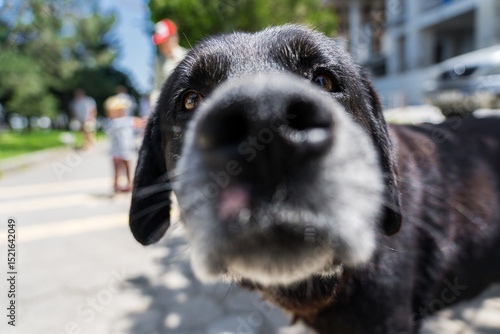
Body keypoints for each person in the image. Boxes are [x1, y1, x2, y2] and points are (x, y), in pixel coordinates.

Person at [104, 95, 145, 193]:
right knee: (117, 168)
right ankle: (116, 185)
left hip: (126, 149)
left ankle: (128, 182)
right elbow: (125, 123)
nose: (123, 112)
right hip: (116, 150)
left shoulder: (125, 120)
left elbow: (136, 125)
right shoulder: (113, 122)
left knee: (127, 166)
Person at [150, 19, 188, 107]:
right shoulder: (159, 63)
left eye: (165, 41)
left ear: (174, 37)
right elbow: (156, 87)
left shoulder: (187, 55)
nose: (162, 46)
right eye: (160, 43)